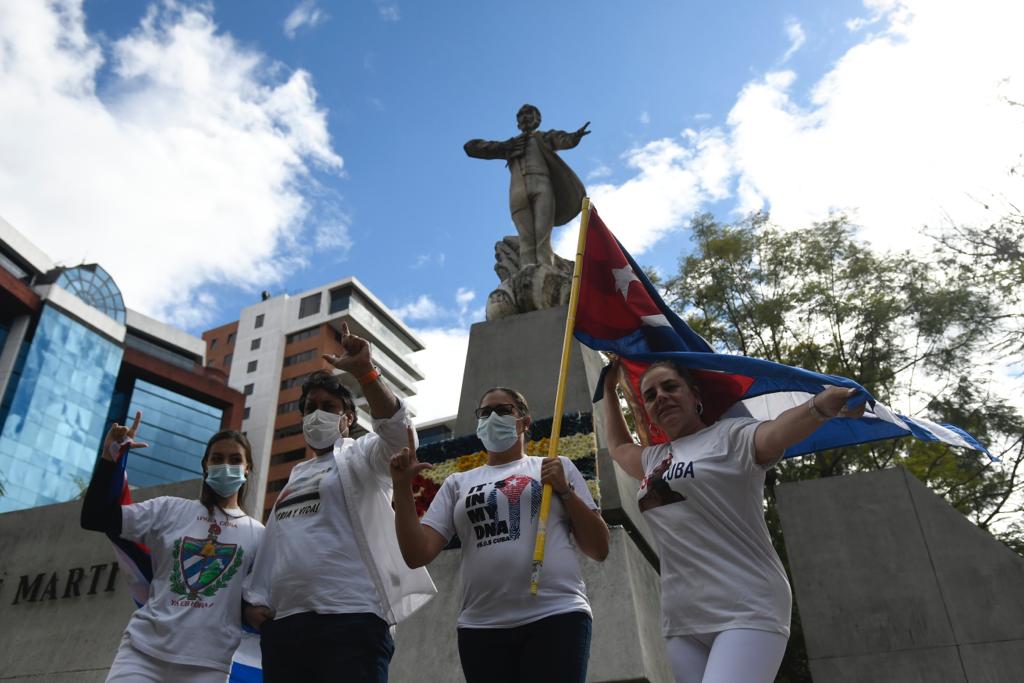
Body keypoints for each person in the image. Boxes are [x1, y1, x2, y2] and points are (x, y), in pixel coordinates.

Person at [600, 359, 865, 683]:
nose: (661, 397)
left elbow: (778, 430)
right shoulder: (654, 458)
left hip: (748, 605)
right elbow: (617, 446)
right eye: (651, 395)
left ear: (695, 395)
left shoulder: (732, 436)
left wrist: (819, 407)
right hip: (682, 620)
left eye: (670, 387)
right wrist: (610, 392)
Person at [242, 323, 435, 683]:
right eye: (310, 408)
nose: (317, 414)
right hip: (286, 629)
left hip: (351, 621)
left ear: (347, 418)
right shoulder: (293, 479)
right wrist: (254, 602)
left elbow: (397, 436)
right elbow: (276, 547)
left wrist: (365, 372)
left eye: (328, 407)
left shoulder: (362, 457)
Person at [390, 386, 610, 683]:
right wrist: (402, 488)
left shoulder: (554, 468)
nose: (493, 417)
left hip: (556, 616)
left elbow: (599, 548)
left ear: (524, 422)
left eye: (503, 410)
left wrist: (565, 491)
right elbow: (417, 554)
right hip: (481, 627)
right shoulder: (457, 483)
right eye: (485, 412)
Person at [81, 411, 263, 682]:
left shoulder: (259, 535)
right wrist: (110, 456)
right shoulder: (169, 510)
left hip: (208, 666)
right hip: (142, 654)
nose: (226, 465)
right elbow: (95, 517)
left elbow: (257, 604)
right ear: (205, 465)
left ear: (247, 469)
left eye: (235, 460)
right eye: (217, 458)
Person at [464, 104, 589, 267]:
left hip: (542, 186)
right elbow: (471, 147)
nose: (525, 117)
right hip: (518, 190)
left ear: (538, 119)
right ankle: (528, 270)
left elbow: (562, 139)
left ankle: (545, 269)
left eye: (529, 114)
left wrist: (574, 137)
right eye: (521, 115)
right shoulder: (512, 144)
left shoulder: (543, 138)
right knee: (526, 237)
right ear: (517, 122)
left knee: (542, 235)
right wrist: (505, 146)